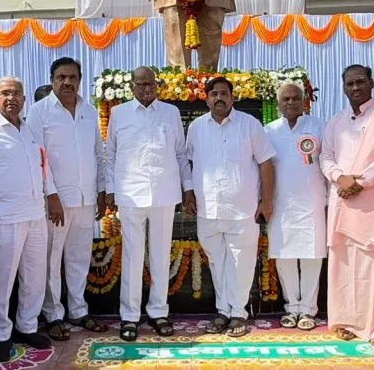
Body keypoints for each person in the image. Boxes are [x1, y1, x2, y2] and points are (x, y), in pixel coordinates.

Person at [0, 77, 60, 362]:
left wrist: (52, 194)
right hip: (2, 218)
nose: (11, 98)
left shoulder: (28, 129)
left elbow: (42, 165)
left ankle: (27, 326)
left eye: (17, 93)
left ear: (23, 98)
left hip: (34, 214)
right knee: (1, 280)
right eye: (5, 93)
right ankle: (1, 334)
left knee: (34, 275)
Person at [104, 67, 195, 341]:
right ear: (131, 86)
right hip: (130, 194)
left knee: (159, 254)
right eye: (141, 84)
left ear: (157, 86)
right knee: (132, 257)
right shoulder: (119, 114)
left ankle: (158, 312)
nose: (146, 89)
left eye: (150, 84)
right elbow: (111, 154)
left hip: (165, 194)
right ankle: (129, 316)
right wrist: (110, 190)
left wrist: (188, 188)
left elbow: (180, 154)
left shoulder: (171, 113)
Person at [319, 65, 374, 347]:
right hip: (342, 199)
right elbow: (325, 156)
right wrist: (339, 178)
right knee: (343, 263)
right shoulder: (335, 121)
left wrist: (362, 181)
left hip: (373, 199)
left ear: (371, 83)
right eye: (349, 83)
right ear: (343, 87)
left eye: (360, 82)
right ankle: (346, 321)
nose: (355, 88)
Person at [187, 77, 276, 337]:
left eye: (223, 93)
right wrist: (189, 194)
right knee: (217, 261)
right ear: (206, 98)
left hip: (243, 208)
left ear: (232, 97)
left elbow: (266, 164)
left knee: (241, 261)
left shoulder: (249, 125)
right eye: (213, 94)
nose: (218, 98)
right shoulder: (196, 127)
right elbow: (188, 163)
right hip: (208, 209)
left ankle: (238, 312)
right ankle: (222, 310)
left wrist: (267, 201)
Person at [27, 57, 108, 340]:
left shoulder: (88, 110)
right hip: (56, 201)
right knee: (51, 259)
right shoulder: (39, 111)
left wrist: (100, 190)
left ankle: (78, 309)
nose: (67, 82)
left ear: (80, 80)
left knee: (79, 257)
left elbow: (98, 153)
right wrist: (50, 195)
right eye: (61, 77)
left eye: (72, 77)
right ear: (52, 81)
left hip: (85, 199)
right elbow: (37, 158)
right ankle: (53, 314)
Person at [265, 82, 325, 331]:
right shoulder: (268, 131)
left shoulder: (320, 127)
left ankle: (309, 310)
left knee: (312, 256)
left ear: (304, 102)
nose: (290, 103)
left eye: (295, 98)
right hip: (280, 204)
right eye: (285, 99)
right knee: (284, 257)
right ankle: (291, 308)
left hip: (312, 202)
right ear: (278, 104)